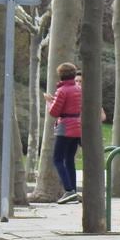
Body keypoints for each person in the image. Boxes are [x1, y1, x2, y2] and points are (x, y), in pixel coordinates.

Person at [47, 62, 82, 204]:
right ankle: (73, 191)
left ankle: (68, 189)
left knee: (57, 158)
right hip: (77, 127)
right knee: (69, 159)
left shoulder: (62, 91)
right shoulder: (78, 89)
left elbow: (54, 112)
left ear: (60, 75)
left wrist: (49, 101)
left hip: (65, 127)